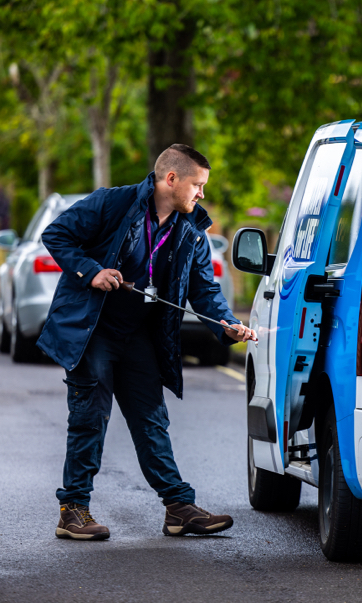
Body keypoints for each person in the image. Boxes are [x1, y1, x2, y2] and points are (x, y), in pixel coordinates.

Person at [37, 144, 256, 541]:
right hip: (93, 330)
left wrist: (227, 323)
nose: (201, 193)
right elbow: (56, 234)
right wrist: (91, 271)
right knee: (90, 419)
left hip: (138, 336)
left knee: (152, 420)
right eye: (197, 185)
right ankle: (73, 511)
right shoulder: (112, 203)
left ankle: (179, 509)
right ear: (171, 179)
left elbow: (204, 288)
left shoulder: (191, 229)